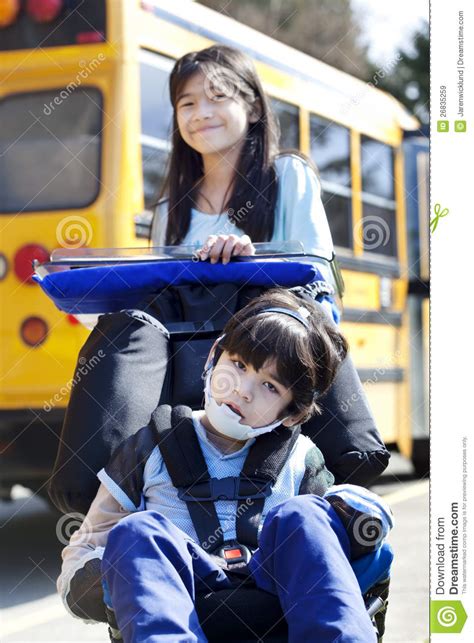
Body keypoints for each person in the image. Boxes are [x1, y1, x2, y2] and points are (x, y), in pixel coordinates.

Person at [48, 44, 389, 521]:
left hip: (270, 362)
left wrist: (254, 261)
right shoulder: (172, 207)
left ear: (251, 106)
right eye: (186, 103)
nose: (200, 113)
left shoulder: (287, 175)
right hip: (195, 374)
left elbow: (318, 285)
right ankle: (104, 483)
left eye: (216, 97)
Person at [57, 290, 392, 643]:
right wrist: (109, 578)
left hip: (281, 605)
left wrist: (360, 512)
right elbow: (85, 547)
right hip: (178, 600)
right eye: (239, 365)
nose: (243, 390)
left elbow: (329, 542)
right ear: (215, 355)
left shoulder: (301, 457)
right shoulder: (147, 446)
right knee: (138, 532)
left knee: (308, 514)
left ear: (293, 413)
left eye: (269, 385)